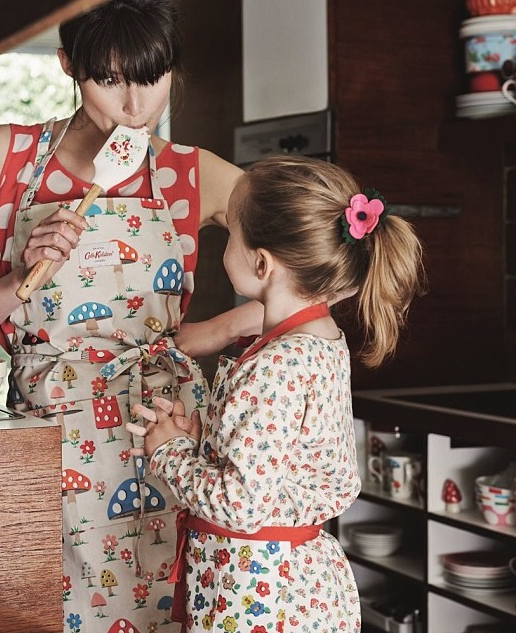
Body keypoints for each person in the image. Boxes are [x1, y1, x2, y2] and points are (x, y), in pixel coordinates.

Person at [0, 1, 260, 631]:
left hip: (166, 435)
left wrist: (227, 329)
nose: (135, 106)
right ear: (68, 67)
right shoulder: (8, 155)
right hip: (54, 439)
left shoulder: (193, 172)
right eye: (109, 80)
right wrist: (17, 279)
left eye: (152, 76)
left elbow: (307, 249)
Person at [128, 155, 426, 632]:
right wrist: (208, 438)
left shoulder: (275, 366)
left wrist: (169, 453)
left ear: (261, 263)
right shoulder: (320, 342)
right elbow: (283, 458)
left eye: (230, 235)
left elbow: (239, 503)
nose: (223, 246)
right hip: (295, 580)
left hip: (255, 589)